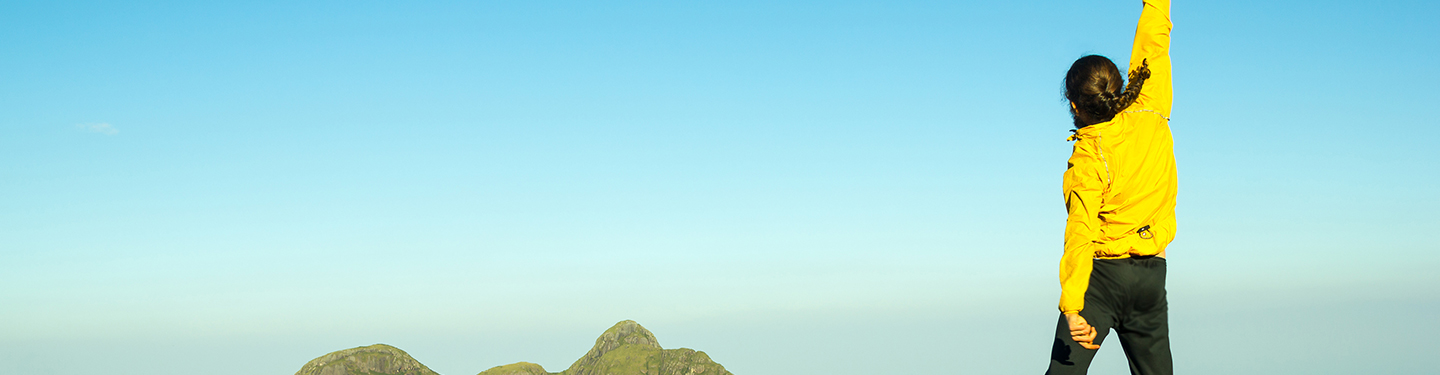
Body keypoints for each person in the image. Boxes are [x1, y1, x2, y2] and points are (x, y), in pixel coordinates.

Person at [1046, 0, 1174, 374]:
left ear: (1073, 105)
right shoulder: (1151, 109)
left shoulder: (1089, 154)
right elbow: (1155, 39)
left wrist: (1072, 306)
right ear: (1117, 87)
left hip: (1100, 282)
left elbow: (1080, 230)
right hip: (1151, 277)